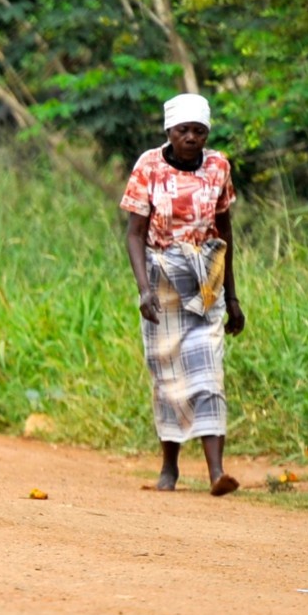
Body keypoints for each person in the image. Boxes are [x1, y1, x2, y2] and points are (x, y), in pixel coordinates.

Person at [120, 93, 245, 496]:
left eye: (199, 131)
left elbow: (224, 232)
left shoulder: (218, 167)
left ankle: (216, 473)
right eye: (183, 131)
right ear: (169, 132)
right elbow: (135, 235)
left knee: (209, 371)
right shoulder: (149, 167)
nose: (191, 138)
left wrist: (233, 298)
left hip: (206, 279)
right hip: (162, 280)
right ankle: (169, 467)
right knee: (168, 373)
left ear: (207, 133)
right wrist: (143, 290)